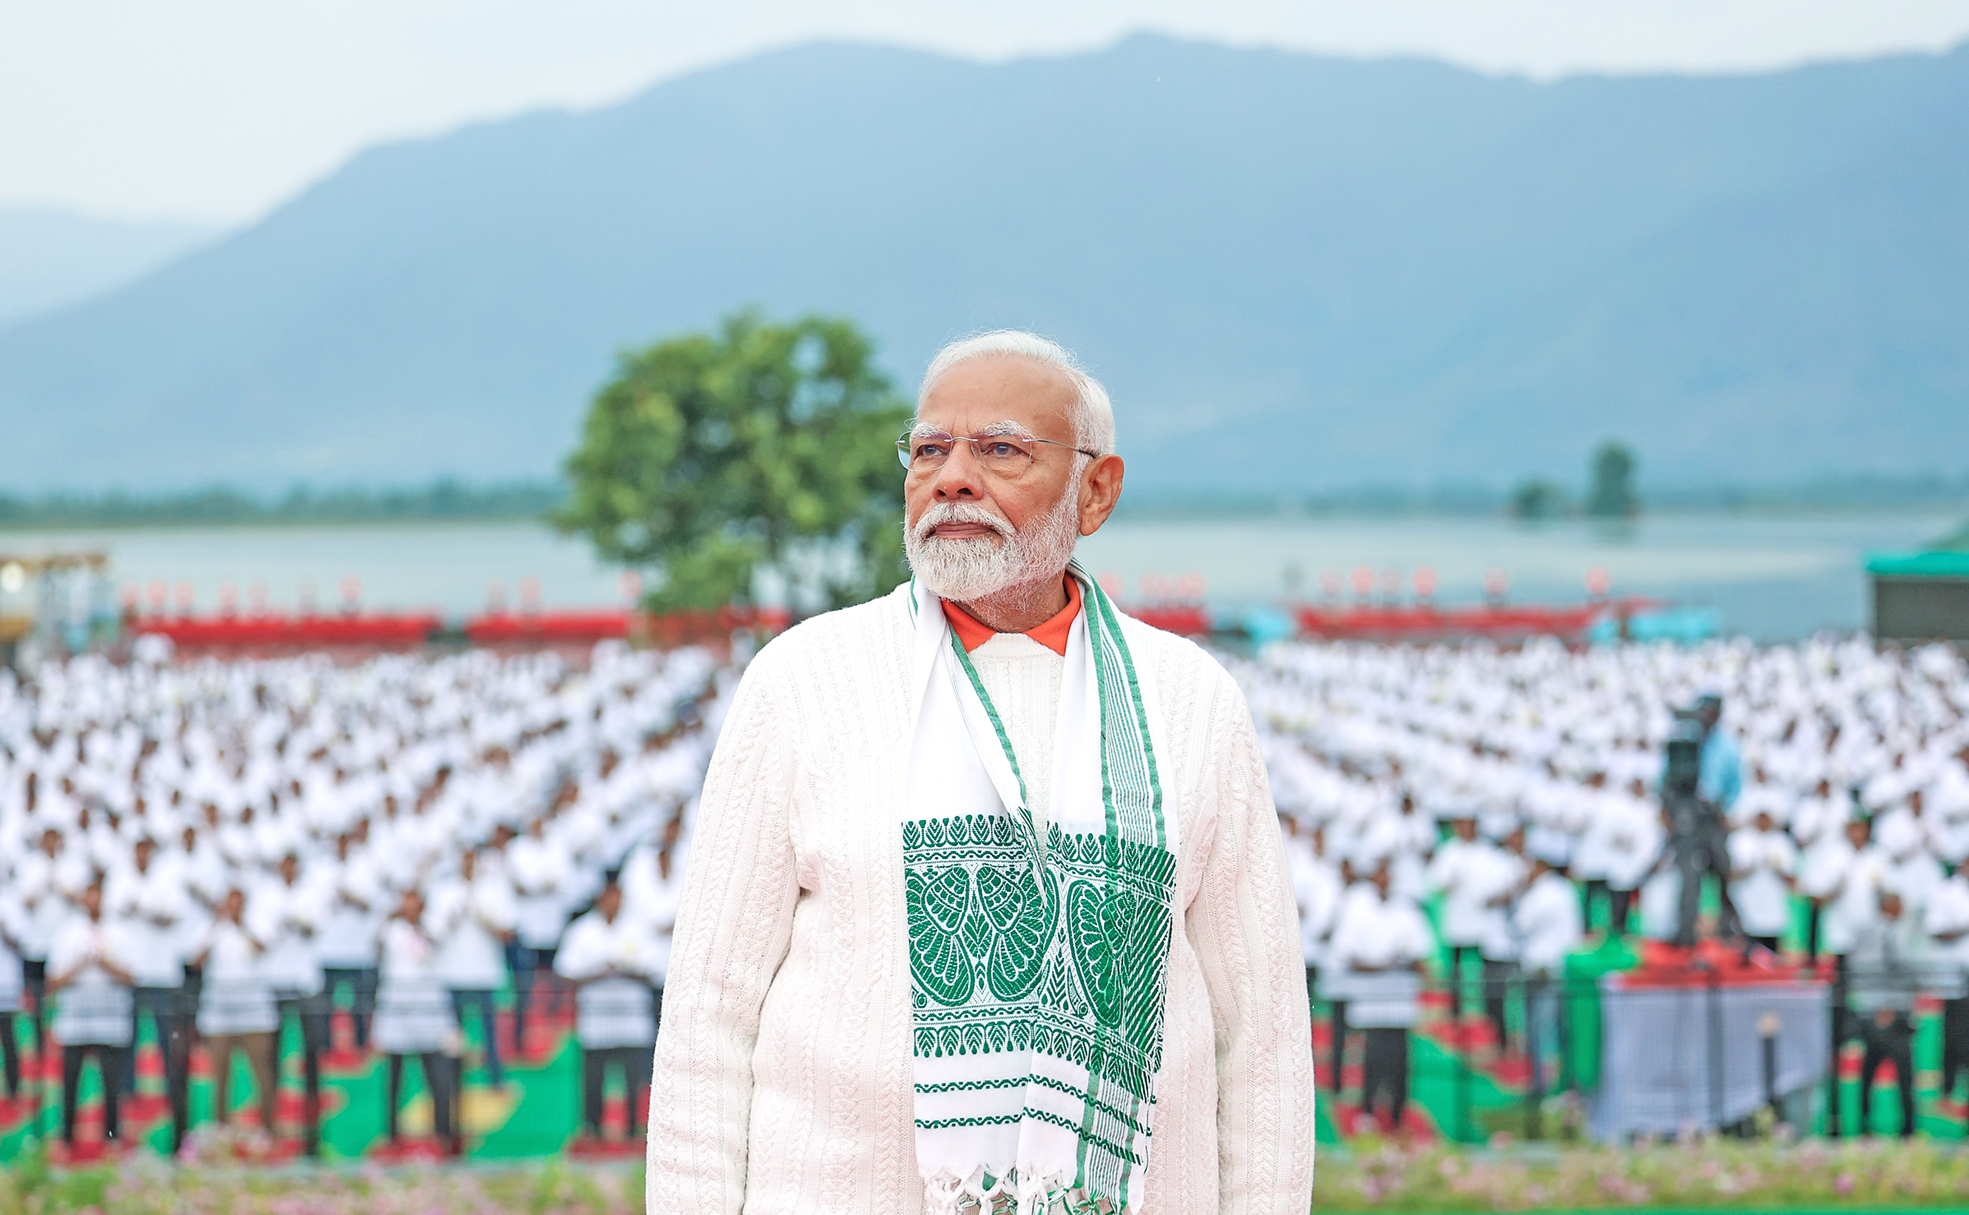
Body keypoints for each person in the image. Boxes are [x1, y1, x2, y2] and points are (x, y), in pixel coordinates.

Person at [647, 332, 1314, 1214]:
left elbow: (1259, 1035)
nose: (951, 476)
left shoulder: (1189, 700)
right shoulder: (802, 680)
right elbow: (708, 1015)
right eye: (929, 449)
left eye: (999, 449)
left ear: (1097, 490)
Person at [1327, 857, 1433, 1135]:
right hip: (1371, 1000)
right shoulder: (1357, 909)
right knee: (1372, 1059)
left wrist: (1396, 963)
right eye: (1379, 872)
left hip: (1399, 1001)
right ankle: (1369, 1112)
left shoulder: (1407, 911)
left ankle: (1398, 1115)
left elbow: (1421, 955)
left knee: (1400, 1060)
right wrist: (1382, 965)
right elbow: (1346, 954)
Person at [555, 872, 660, 1143]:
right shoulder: (582, 930)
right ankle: (593, 1129)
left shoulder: (639, 927)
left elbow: (655, 969)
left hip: (632, 1019)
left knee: (635, 1079)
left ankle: (634, 1130)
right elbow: (565, 971)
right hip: (596, 1020)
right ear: (600, 897)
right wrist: (599, 972)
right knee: (593, 1080)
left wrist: (623, 969)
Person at [103, 832, 192, 1148]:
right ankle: (129, 1091)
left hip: (162, 974)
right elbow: (110, 914)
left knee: (166, 1038)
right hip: (130, 974)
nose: (142, 854)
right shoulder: (119, 877)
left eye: (146, 848)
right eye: (137, 848)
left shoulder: (168, 878)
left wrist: (144, 909)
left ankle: (169, 1091)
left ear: (151, 851)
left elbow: (172, 916)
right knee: (126, 1038)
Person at [47, 877, 137, 1151]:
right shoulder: (67, 933)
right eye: (89, 896)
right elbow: (54, 980)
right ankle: (66, 1139)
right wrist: (81, 963)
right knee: (70, 1085)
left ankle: (111, 1138)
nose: (93, 901)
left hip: (110, 1020)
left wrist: (105, 963)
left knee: (112, 1086)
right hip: (75, 1020)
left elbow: (131, 977)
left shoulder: (119, 932)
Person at [373, 888, 459, 1153]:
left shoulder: (434, 925)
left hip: (428, 1006)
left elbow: (439, 943)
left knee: (436, 1073)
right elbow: (375, 948)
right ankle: (392, 1133)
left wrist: (418, 925)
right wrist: (391, 919)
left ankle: (443, 1132)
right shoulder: (390, 928)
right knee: (394, 1076)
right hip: (396, 1006)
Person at [193, 888, 281, 1133]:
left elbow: (263, 948)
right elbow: (195, 961)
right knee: (219, 1074)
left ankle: (268, 1131)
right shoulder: (211, 928)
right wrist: (215, 928)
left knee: (261, 1071)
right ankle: (221, 1130)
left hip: (254, 1008)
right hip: (219, 1008)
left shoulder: (259, 923)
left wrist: (241, 925)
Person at [1845, 887, 1927, 1137]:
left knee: (1869, 1069)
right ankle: (1908, 1128)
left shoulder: (1862, 931)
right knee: (1904, 1073)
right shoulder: (1890, 933)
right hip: (1891, 1011)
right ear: (1888, 906)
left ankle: (1862, 1124)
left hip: (1868, 1010)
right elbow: (1900, 967)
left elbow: (1853, 967)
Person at [433, 846, 516, 1088]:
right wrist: (453, 917)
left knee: (490, 1033)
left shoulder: (494, 889)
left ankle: (495, 1079)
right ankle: (452, 1082)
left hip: (485, 973)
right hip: (451, 973)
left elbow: (508, 932)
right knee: (452, 1035)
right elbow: (432, 933)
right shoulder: (444, 891)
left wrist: (485, 919)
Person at [1728, 807, 1799, 955]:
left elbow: (1792, 879)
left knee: (1771, 954)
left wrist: (1776, 867)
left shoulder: (1781, 841)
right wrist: (1749, 866)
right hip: (1746, 907)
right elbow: (1730, 874)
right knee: (1747, 952)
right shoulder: (1740, 840)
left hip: (1773, 909)